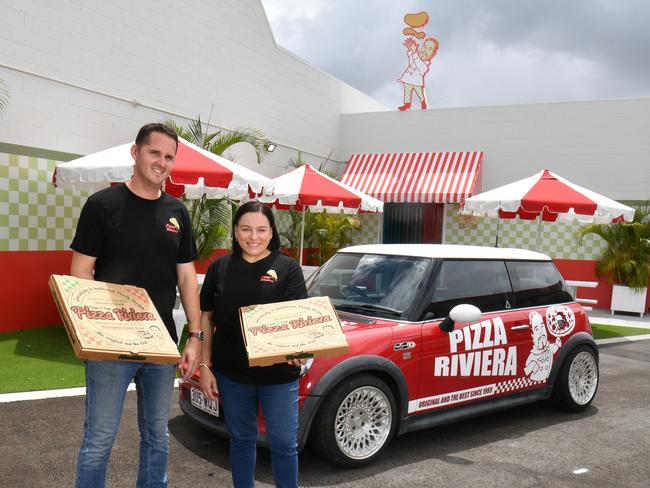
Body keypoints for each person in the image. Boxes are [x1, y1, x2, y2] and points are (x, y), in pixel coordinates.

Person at [70, 123, 202, 488]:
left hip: (161, 345)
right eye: (154, 153)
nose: (162, 162)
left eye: (169, 157)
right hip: (110, 347)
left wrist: (195, 336)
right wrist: (106, 323)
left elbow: (187, 276)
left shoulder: (178, 212)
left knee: (157, 438)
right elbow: (81, 271)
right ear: (135, 152)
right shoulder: (102, 205)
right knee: (99, 441)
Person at [198, 201, 308, 488]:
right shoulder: (219, 268)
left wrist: (300, 350)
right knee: (241, 439)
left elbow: (299, 320)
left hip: (279, 375)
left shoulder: (288, 269)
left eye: (261, 229)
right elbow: (206, 318)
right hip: (232, 373)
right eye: (246, 229)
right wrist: (205, 365)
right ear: (235, 231)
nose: (253, 236)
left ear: (272, 232)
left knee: (283, 441)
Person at [397, 36, 439, 110]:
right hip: (408, 78)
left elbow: (418, 63)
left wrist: (414, 52)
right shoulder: (417, 58)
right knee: (407, 91)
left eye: (430, 49)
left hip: (416, 81)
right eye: (424, 46)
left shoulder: (425, 65)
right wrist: (411, 51)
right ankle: (407, 104)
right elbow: (411, 62)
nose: (425, 50)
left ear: (432, 54)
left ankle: (423, 102)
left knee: (419, 92)